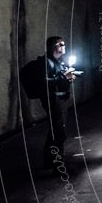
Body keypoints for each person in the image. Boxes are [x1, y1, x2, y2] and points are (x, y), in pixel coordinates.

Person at [41, 36, 76, 170]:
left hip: (60, 100)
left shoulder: (59, 62)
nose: (63, 46)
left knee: (56, 131)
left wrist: (69, 76)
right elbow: (44, 82)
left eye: (64, 43)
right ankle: (57, 163)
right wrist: (63, 77)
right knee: (59, 132)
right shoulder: (47, 63)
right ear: (51, 47)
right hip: (52, 100)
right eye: (59, 44)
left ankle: (49, 160)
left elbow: (60, 79)